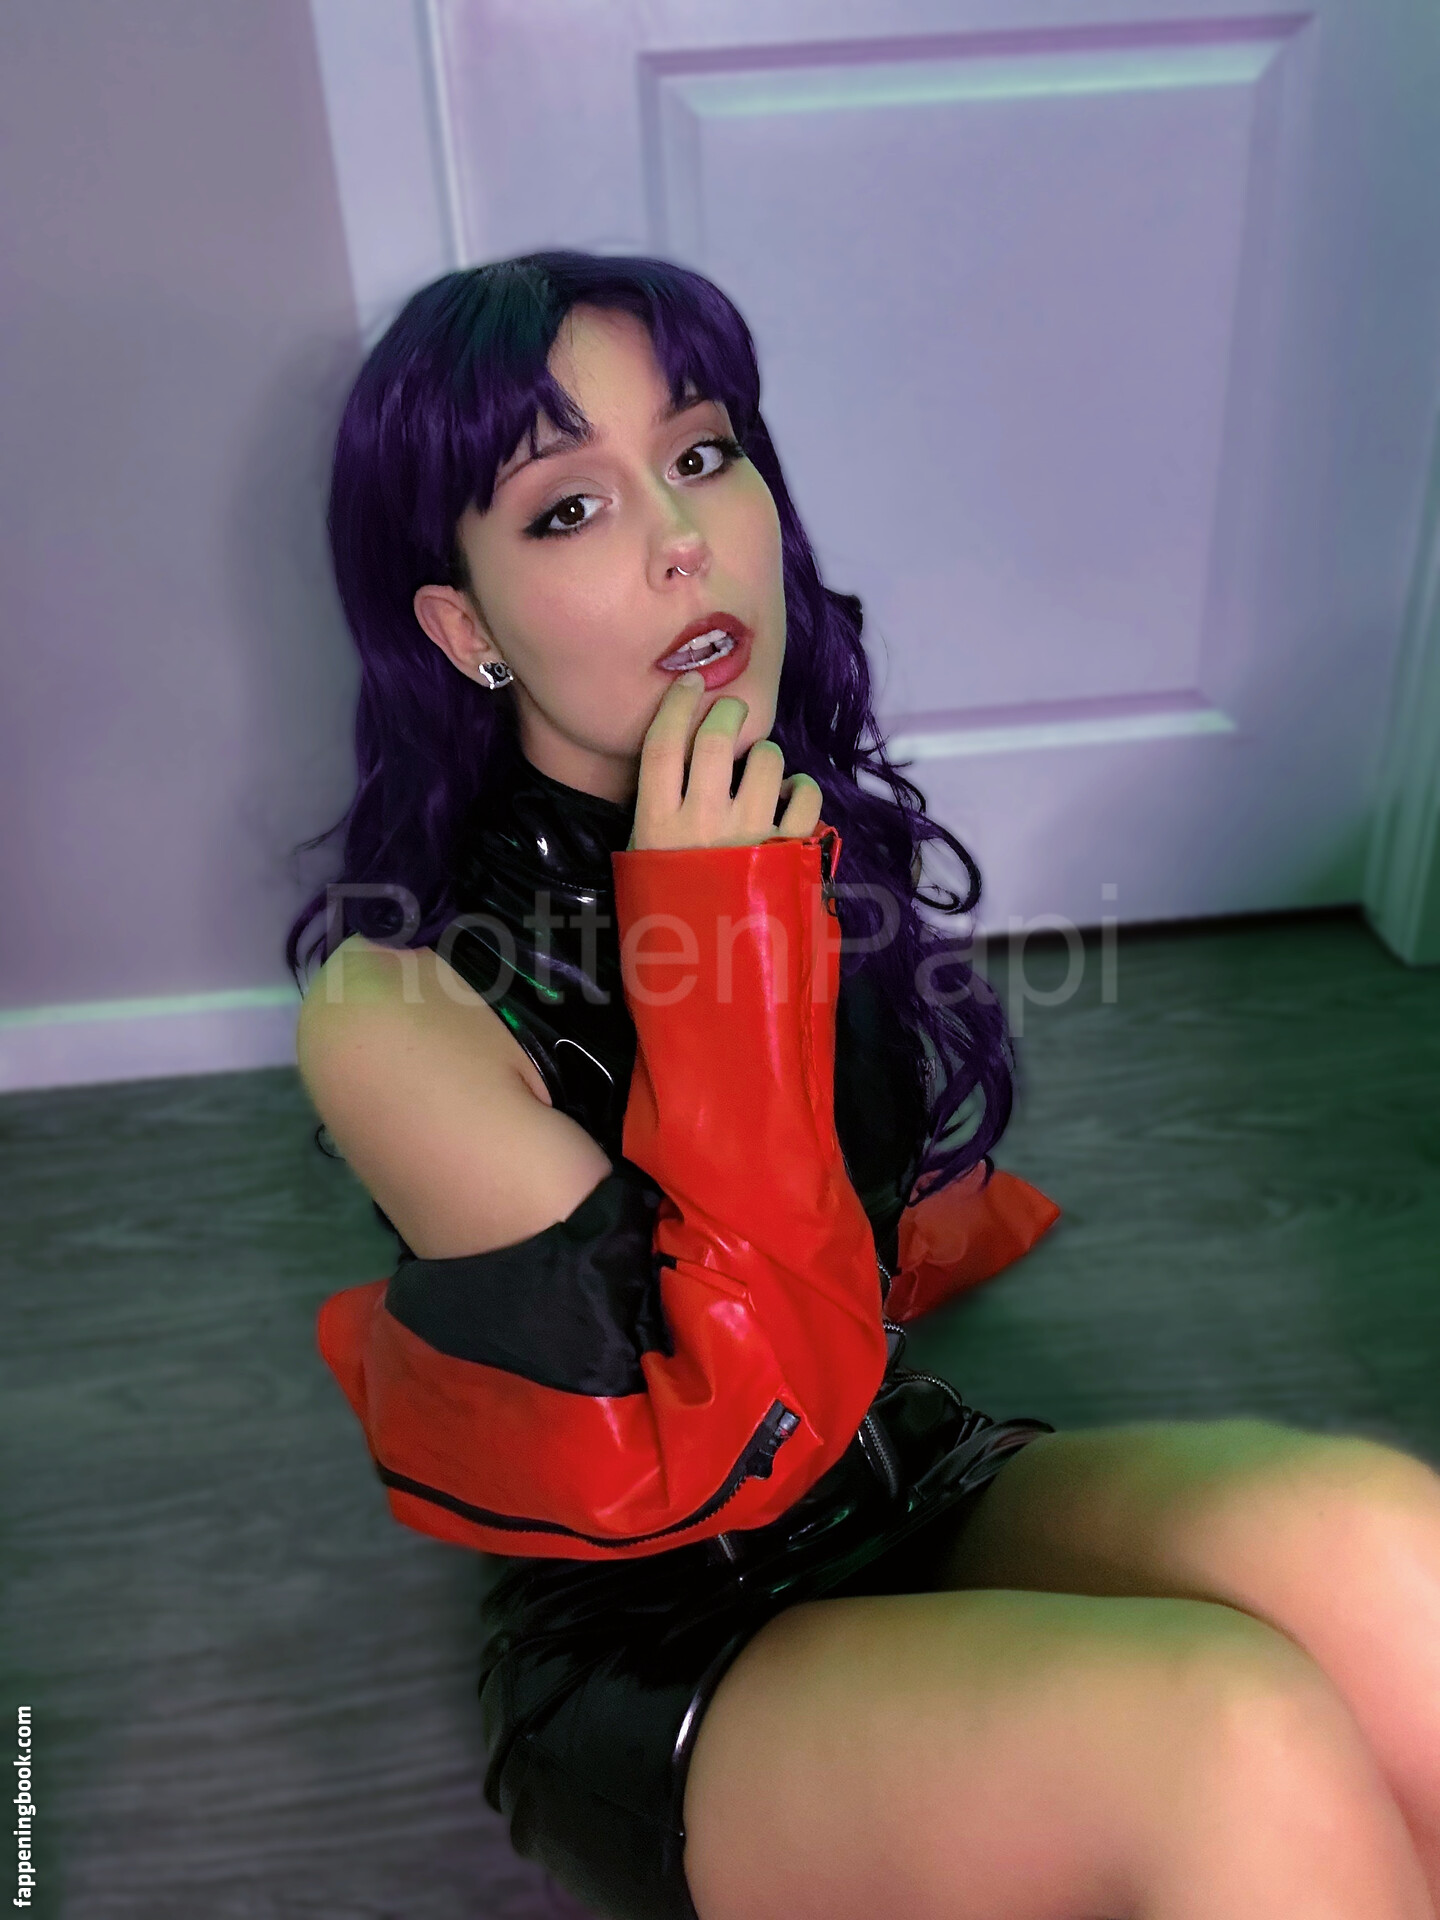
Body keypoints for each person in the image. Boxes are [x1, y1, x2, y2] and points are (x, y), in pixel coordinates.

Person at [288, 252, 1440, 1920]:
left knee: (1391, 1552)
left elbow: (858, 1278)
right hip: (663, 1641)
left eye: (700, 455)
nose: (682, 539)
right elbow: (729, 1433)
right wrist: (722, 931)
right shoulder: (392, 1012)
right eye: (569, 509)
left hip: (900, 1469)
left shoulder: (776, 813)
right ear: (465, 628)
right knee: (1234, 1737)